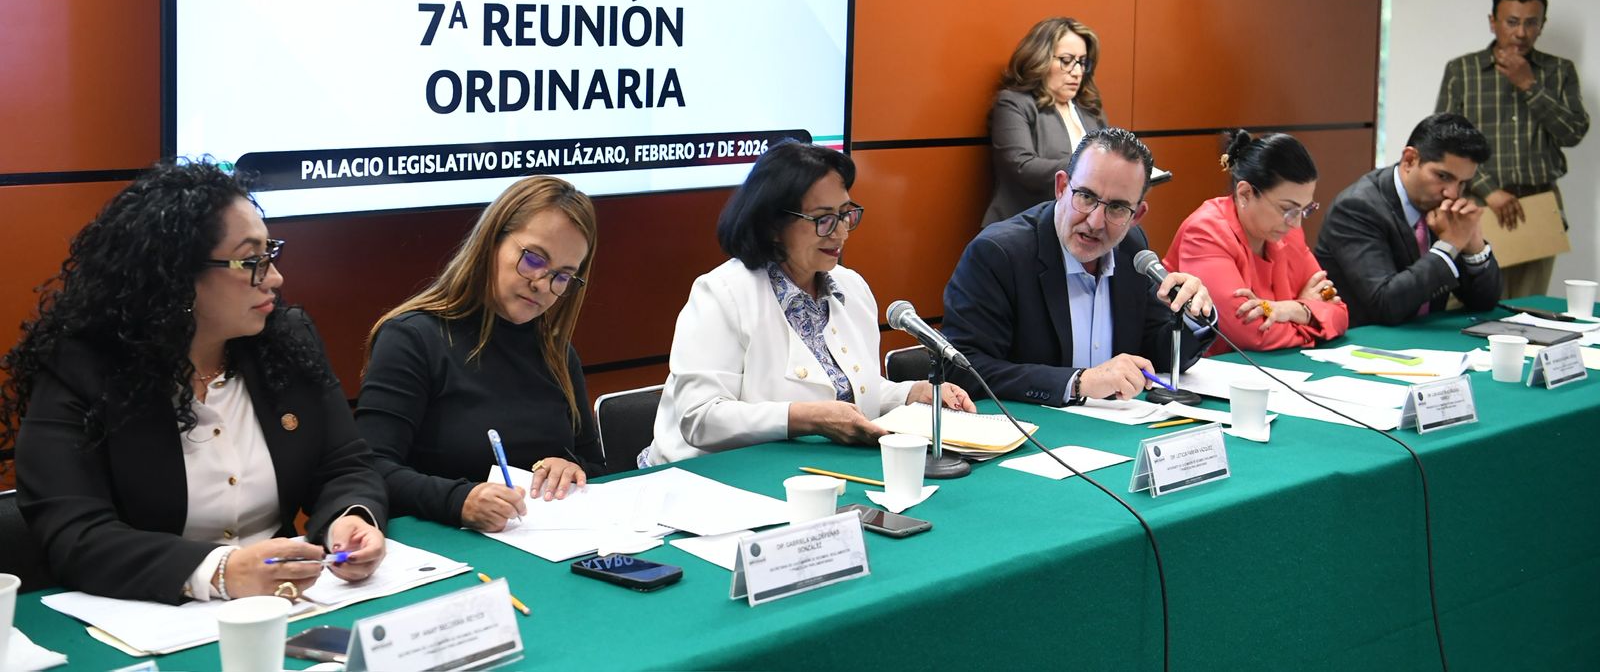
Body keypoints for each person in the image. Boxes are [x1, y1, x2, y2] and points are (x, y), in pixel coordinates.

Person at [0, 161, 387, 604]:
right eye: (251, 261)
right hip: (148, 615)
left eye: (270, 255)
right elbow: (76, 535)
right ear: (176, 275)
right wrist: (218, 571)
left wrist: (349, 518)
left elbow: (345, 466)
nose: (274, 278)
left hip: (287, 603)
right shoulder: (82, 368)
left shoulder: (286, 341)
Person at [644, 141, 974, 465]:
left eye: (845, 215)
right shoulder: (722, 293)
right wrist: (808, 418)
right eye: (823, 219)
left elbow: (846, 390)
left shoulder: (851, 287)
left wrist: (911, 394)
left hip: (811, 471)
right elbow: (700, 417)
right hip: (707, 477)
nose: (841, 233)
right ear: (773, 224)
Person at [357, 176, 602, 533]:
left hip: (541, 540)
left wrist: (573, 470)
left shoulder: (557, 352)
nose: (542, 285)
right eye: (533, 259)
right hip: (441, 542)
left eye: (562, 277)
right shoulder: (412, 338)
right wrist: (459, 501)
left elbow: (596, 466)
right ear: (492, 242)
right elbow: (370, 468)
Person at [944, 128, 1214, 405]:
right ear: (1061, 187)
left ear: (1137, 216)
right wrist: (1077, 382)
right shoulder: (999, 254)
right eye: (1086, 196)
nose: (1095, 222)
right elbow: (962, 368)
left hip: (1117, 422)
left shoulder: (1132, 249)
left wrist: (1192, 314)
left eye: (1117, 208)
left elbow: (1158, 353)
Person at [1435, 0, 1589, 297]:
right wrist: (1489, 191)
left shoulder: (1559, 71)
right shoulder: (1463, 70)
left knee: (1529, 306)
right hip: (1478, 203)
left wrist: (1530, 85)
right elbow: (1444, 141)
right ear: (1493, 22)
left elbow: (1573, 132)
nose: (1521, 33)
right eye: (1512, 22)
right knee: (1470, 303)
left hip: (1539, 204)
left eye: (1531, 23)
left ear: (1542, 25)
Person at [1164, 131, 1348, 352]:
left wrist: (1293, 309)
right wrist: (1312, 316)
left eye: (1304, 209)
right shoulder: (1205, 233)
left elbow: (1339, 312)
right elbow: (1250, 335)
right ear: (1245, 194)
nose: (1296, 223)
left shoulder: (1287, 233)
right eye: (1287, 209)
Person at [1315, 113, 1503, 326]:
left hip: (1424, 338)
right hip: (1362, 338)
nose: (1452, 193)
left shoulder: (1442, 208)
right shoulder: (1356, 208)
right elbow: (1385, 304)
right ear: (1410, 160)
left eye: (1462, 183)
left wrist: (1474, 249)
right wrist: (1449, 246)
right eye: (1443, 176)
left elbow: (1484, 303)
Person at [983, 17, 1109, 226]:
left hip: (1080, 227)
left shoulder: (1090, 108)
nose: (1077, 72)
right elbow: (1022, 166)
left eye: (1082, 62)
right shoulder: (1013, 102)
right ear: (1040, 59)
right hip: (1022, 227)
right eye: (1067, 61)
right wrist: (1088, 165)